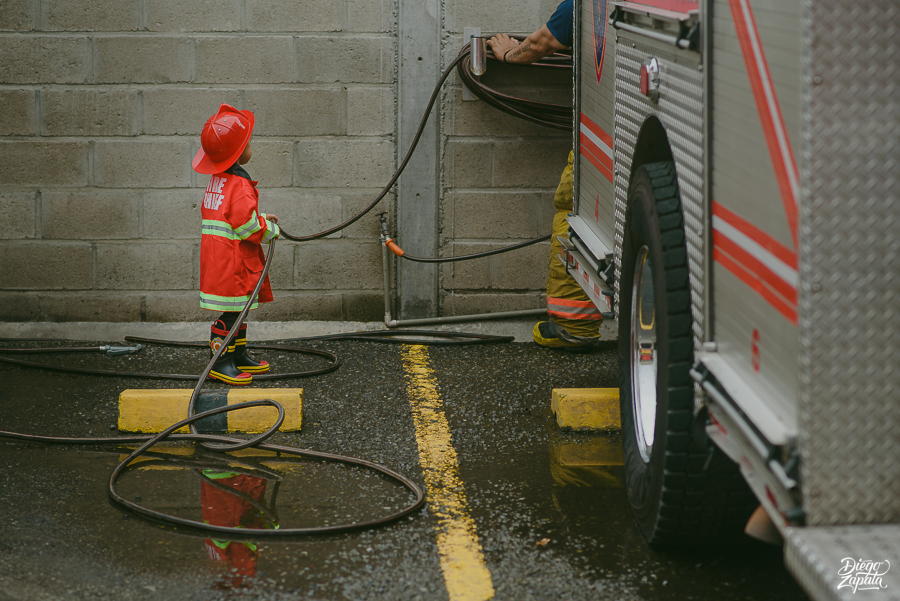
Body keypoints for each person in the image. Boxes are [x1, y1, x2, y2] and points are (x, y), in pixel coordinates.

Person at [488, 0, 604, 351]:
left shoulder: (590, 4)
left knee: (574, 210)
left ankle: (574, 329)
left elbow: (539, 45)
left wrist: (508, 54)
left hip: (604, 139)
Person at [192, 104, 280, 385]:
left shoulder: (219, 180)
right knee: (231, 314)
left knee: (239, 311)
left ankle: (238, 355)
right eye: (249, 143)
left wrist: (259, 216)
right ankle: (221, 361)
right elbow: (247, 227)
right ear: (239, 152)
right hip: (233, 263)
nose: (251, 146)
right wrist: (270, 229)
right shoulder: (240, 185)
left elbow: (229, 217)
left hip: (220, 260)